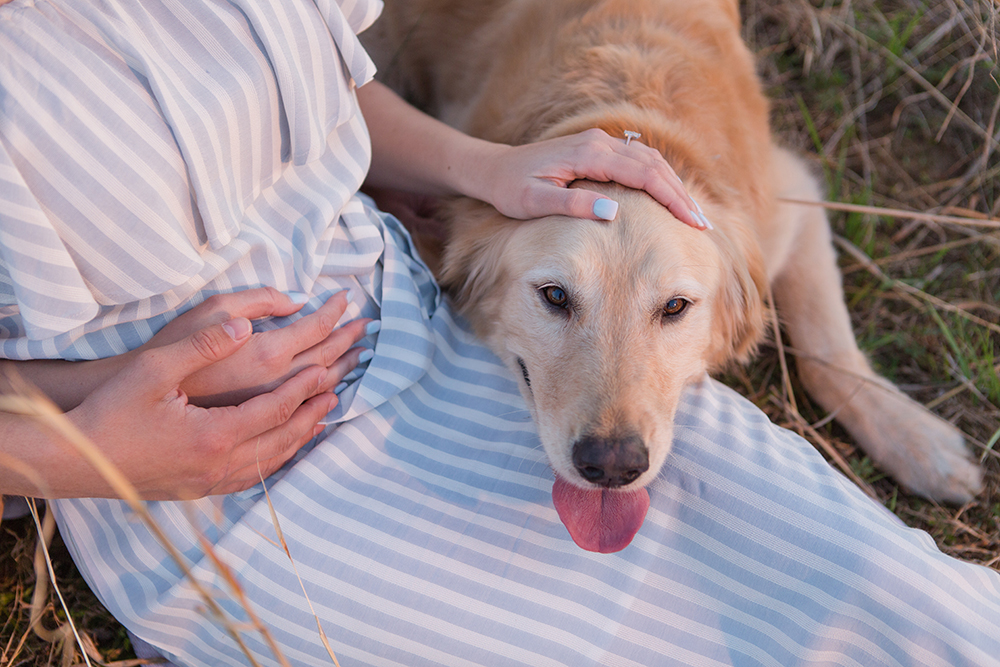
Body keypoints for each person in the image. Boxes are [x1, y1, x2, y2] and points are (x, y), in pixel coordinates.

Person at [0, 1, 997, 666]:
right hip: (216, 471)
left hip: (422, 315)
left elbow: (314, 87)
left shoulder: (490, 265)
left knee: (900, 595)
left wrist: (479, 169)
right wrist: (75, 444)